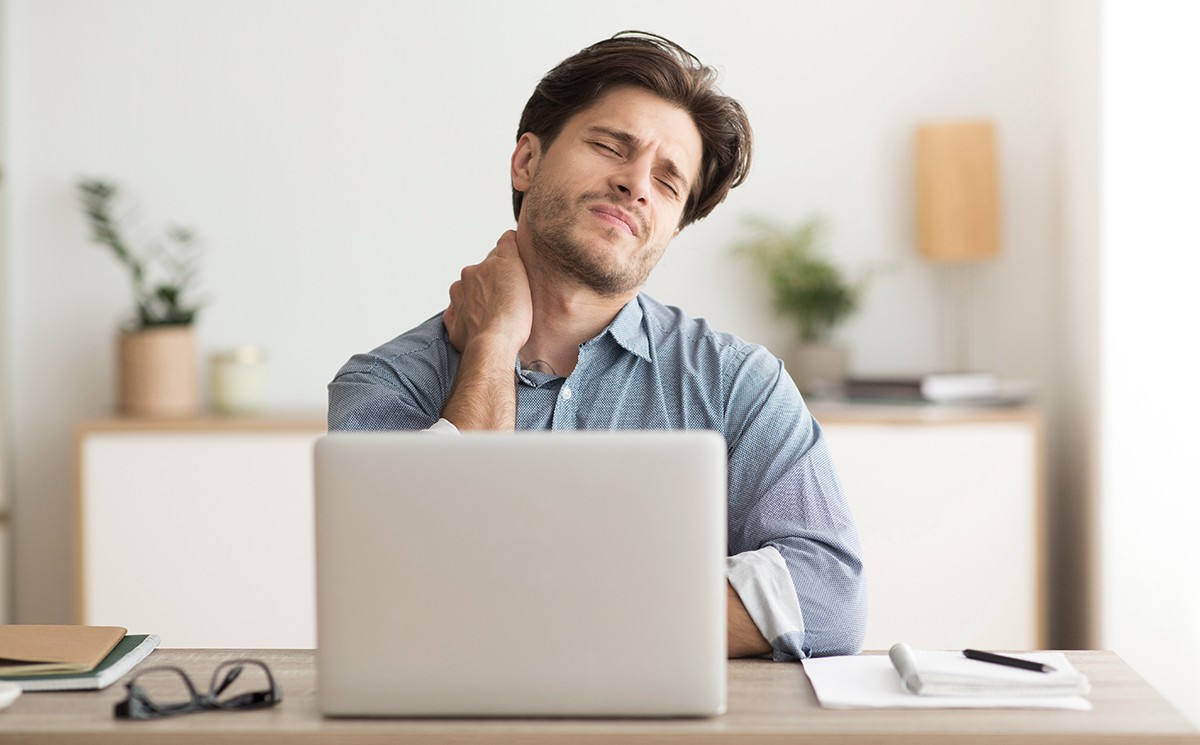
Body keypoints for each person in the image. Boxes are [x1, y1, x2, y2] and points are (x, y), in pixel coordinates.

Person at [328, 31, 866, 660]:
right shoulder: (385, 384)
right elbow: (397, 591)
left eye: (668, 183)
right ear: (527, 162)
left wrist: (526, 603)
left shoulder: (738, 383)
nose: (637, 184)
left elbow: (830, 597)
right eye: (612, 146)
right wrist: (493, 348)